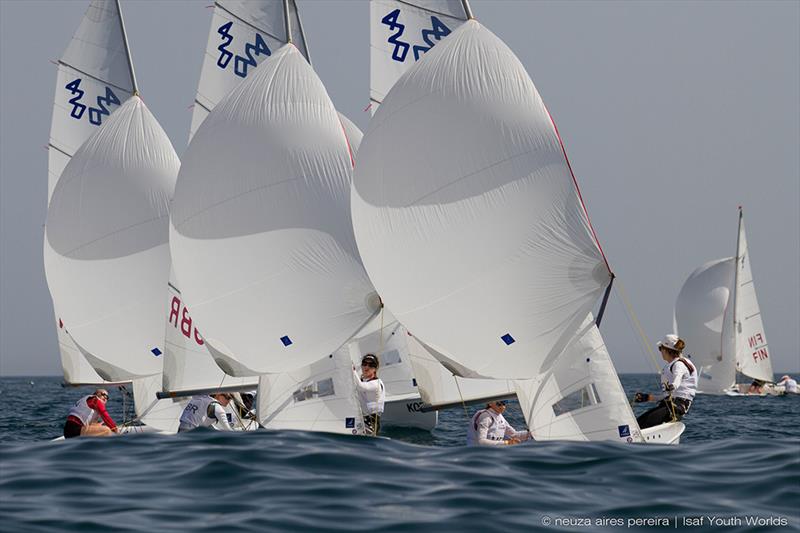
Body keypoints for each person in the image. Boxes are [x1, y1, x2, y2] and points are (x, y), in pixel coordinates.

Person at [634, 334, 697, 429]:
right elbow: (666, 396)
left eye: (660, 348)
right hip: (669, 405)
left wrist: (672, 386)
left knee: (638, 427)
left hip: (676, 408)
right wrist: (648, 398)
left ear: (666, 350)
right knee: (636, 424)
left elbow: (677, 379)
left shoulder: (679, 364)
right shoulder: (673, 364)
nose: (660, 352)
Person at [467, 400, 531, 446]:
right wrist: (507, 443)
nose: (503, 407)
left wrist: (531, 433)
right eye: (499, 404)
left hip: (495, 453)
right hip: (479, 455)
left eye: (504, 403)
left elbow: (514, 435)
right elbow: (481, 441)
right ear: (490, 403)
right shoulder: (485, 417)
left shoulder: (499, 416)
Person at [354, 353, 385, 436]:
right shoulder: (363, 380)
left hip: (370, 423)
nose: (366, 367)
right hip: (361, 420)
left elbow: (361, 387)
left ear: (375, 368)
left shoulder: (376, 383)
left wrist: (352, 370)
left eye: (371, 365)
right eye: (364, 364)